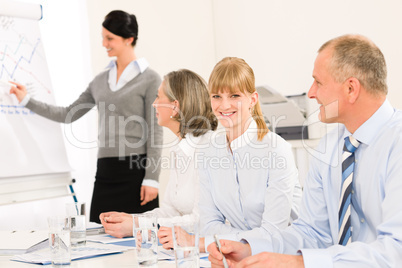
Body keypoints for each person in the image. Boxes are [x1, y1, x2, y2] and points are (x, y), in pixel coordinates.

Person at [207, 34, 402, 268]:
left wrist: (299, 263)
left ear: (351, 88)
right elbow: (311, 232)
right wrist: (249, 249)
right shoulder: (329, 147)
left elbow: (395, 251)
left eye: (318, 83)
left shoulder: (396, 144)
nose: (311, 93)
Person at [9, 10, 163, 223]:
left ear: (129, 39)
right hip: (106, 170)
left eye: (110, 38)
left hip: (136, 170)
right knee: (98, 233)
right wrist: (27, 100)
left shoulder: (150, 79)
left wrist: (152, 179)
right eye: (103, 38)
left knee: (139, 236)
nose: (104, 43)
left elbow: (155, 132)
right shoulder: (99, 81)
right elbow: (67, 114)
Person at [99, 69, 218, 245]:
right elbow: (170, 211)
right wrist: (129, 218)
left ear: (175, 107)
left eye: (158, 97)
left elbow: (201, 221)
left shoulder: (209, 150)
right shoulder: (180, 150)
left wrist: (137, 225)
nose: (154, 104)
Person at [197, 57, 302, 252]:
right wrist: (239, 241)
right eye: (216, 96)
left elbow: (272, 234)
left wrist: (218, 240)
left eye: (234, 96)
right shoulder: (208, 153)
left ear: (252, 100)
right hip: (237, 256)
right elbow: (208, 225)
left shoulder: (276, 149)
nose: (224, 105)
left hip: (284, 256)